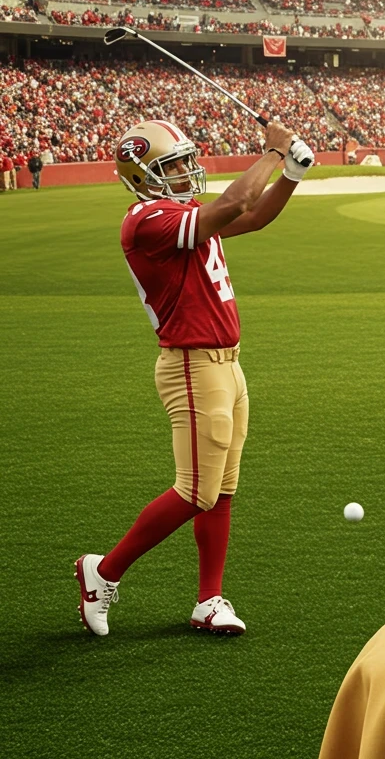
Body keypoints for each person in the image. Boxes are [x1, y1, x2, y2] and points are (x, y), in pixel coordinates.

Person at [74, 117, 314, 638]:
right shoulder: (146, 220)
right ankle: (103, 571)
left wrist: (291, 175)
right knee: (195, 491)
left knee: (222, 488)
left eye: (185, 160)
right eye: (173, 164)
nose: (186, 170)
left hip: (227, 363)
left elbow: (252, 218)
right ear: (141, 175)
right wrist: (273, 153)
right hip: (191, 363)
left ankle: (209, 600)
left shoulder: (182, 213)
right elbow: (235, 204)